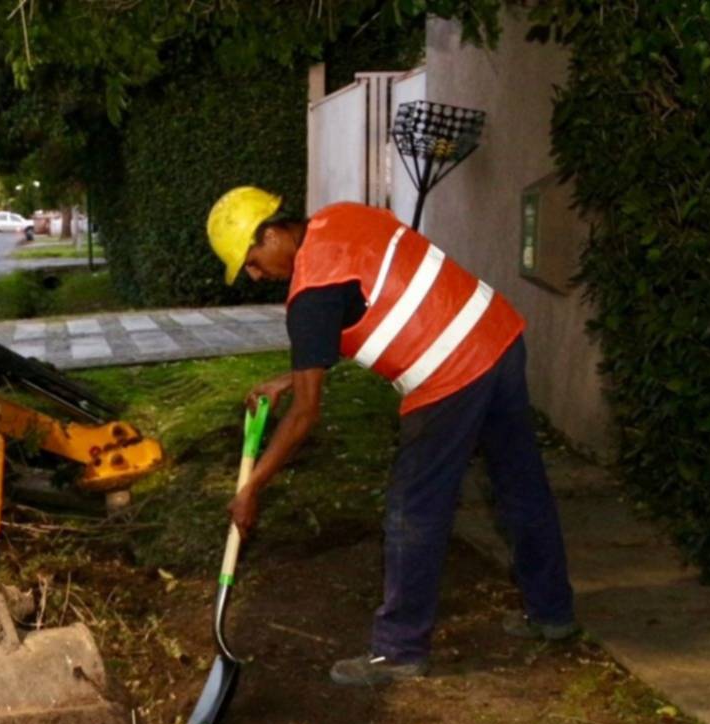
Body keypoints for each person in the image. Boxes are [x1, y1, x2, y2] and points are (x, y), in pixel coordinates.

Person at [206, 187, 575, 686]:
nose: (254, 275)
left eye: (251, 261)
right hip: (496, 335)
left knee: (413, 507)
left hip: (451, 372)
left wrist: (252, 488)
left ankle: (400, 650)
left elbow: (305, 416)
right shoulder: (339, 219)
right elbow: (379, 294)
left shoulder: (311, 293)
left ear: (271, 233)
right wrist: (289, 377)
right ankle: (552, 612)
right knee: (519, 483)